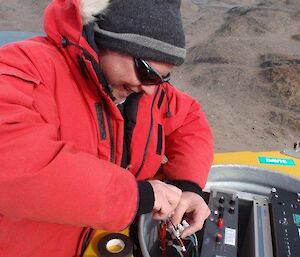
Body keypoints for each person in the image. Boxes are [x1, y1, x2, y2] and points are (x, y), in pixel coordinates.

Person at [0, 0, 214, 256]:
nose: (150, 88)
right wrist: (135, 196)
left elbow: (189, 119)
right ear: (110, 40)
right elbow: (13, 164)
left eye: (162, 78)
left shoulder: (144, 91)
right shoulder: (22, 67)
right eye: (147, 72)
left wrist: (188, 187)